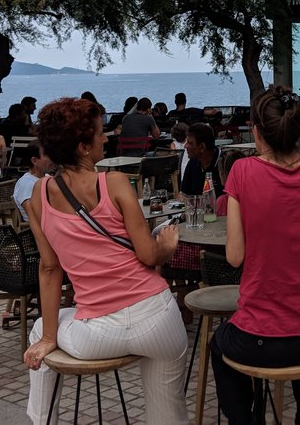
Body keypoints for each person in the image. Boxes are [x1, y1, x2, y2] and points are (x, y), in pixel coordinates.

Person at [23, 98, 188, 425]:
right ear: (84, 147)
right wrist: (167, 246)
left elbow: (50, 268)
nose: (107, 138)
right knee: (168, 416)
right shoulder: (114, 182)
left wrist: (49, 338)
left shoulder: (39, 195)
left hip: (96, 334)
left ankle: (42, 421)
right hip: (158, 319)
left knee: (42, 327)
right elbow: (148, 254)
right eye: (100, 134)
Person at [210, 87, 300, 424]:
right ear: (299, 130)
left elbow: (234, 257)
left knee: (218, 344)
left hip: (261, 336)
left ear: (257, 132)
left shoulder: (242, 172)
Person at [180, 122, 224, 199]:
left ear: (202, 147)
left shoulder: (223, 163)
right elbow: (183, 194)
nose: (185, 146)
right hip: (196, 206)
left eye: (190, 143)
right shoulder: (193, 162)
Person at [13, 143, 53, 221]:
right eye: (46, 155)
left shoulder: (47, 177)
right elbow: (33, 214)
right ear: (34, 160)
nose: (51, 159)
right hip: (38, 226)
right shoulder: (26, 183)